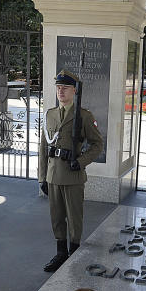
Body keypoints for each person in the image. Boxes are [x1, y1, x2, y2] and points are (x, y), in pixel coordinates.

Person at [38, 70, 105, 272]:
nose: (61, 91)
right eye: (58, 87)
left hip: (73, 175)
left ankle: (74, 253)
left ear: (74, 91)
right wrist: (42, 177)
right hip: (53, 175)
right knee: (56, 217)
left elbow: (97, 144)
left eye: (65, 88)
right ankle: (60, 253)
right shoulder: (49, 114)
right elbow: (43, 148)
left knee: (74, 218)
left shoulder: (84, 116)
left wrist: (81, 161)